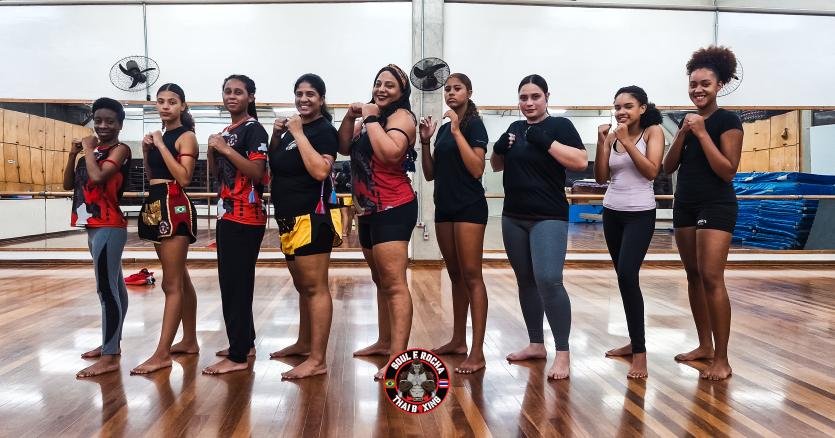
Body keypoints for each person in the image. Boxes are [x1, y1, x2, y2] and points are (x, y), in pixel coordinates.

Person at [490, 74, 588, 380]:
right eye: (523, 97)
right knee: (526, 281)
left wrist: (546, 142)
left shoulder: (560, 126)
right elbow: (496, 166)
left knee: (549, 280)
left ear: (546, 97)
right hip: (513, 216)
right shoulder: (514, 128)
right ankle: (535, 344)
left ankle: (563, 353)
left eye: (535, 97)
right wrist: (498, 148)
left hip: (548, 215)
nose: (529, 103)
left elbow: (581, 162)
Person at [662, 46, 743, 380]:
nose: (698, 89)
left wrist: (701, 132)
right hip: (685, 204)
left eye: (705, 83)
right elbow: (668, 166)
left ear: (719, 85)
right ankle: (704, 346)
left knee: (711, 277)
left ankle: (722, 358)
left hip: (716, 204)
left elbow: (727, 170)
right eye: (693, 83)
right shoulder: (686, 121)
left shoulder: (727, 121)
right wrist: (682, 132)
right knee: (693, 277)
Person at [337, 64, 418, 380]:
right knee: (380, 280)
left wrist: (369, 118)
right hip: (368, 211)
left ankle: (398, 357)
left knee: (395, 283)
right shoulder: (372, 120)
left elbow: (389, 154)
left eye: (390, 86)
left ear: (401, 93)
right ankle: (385, 342)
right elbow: (344, 148)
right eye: (378, 83)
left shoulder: (402, 119)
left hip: (394, 207)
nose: (382, 89)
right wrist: (349, 117)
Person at [268, 73, 341, 379]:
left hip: (312, 216)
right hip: (287, 216)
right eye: (299, 93)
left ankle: (318, 359)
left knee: (315, 287)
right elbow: (276, 164)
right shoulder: (290, 129)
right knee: (302, 287)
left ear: (321, 99)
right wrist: (276, 135)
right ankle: (303, 342)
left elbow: (320, 171)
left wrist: (298, 133)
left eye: (311, 94)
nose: (303, 99)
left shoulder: (323, 130)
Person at [419, 73, 489, 374]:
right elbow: (430, 173)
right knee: (455, 274)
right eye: (447, 89)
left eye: (457, 89)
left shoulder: (473, 125)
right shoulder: (444, 129)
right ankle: (458, 340)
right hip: (444, 207)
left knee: (472, 275)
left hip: (469, 208)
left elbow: (476, 169)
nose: (450, 93)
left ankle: (477, 350)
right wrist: (424, 142)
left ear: (469, 93)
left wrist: (458, 131)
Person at [594, 85, 664, 378]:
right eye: (618, 107)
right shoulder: (613, 137)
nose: (622, 112)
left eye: (628, 106)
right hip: (612, 212)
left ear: (642, 109)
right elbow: (600, 177)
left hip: (640, 214)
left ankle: (641, 353)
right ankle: (633, 341)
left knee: (627, 275)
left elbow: (652, 171)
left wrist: (627, 142)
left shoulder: (653, 132)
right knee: (624, 281)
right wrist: (602, 142)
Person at [202, 74, 270, 375]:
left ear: (250, 97)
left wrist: (225, 148)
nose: (232, 96)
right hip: (227, 213)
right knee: (234, 283)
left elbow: (257, 171)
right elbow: (218, 174)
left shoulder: (253, 129)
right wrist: (212, 150)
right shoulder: (228, 130)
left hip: (245, 216)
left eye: (238, 92)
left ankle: (238, 355)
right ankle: (245, 342)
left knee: (235, 285)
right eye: (227, 91)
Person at [132, 84, 200, 375]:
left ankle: (161, 354)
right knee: (180, 278)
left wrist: (160, 144)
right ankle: (189, 340)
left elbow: (183, 177)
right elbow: (153, 176)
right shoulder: (161, 137)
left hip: (175, 203)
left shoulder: (187, 137)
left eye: (172, 102)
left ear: (182, 106)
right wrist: (148, 151)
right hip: (157, 200)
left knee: (170, 284)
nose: (165, 106)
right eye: (160, 102)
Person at [64, 97, 132, 378]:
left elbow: (100, 177)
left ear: (119, 124)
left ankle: (110, 355)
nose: (103, 126)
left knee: (106, 291)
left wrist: (89, 149)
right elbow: (68, 183)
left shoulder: (120, 149)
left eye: (110, 121)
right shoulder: (89, 153)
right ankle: (110, 343)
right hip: (93, 227)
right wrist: (73, 155)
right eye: (98, 120)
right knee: (115, 286)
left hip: (110, 226)